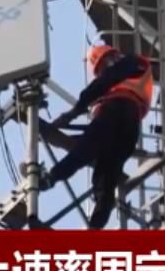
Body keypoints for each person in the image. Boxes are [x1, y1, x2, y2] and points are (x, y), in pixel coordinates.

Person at [38, 44, 153, 230]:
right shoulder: (133, 71)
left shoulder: (129, 64)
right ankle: (96, 226)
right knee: (106, 174)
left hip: (117, 109)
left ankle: (51, 177)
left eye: (101, 66)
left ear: (112, 57)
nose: (102, 70)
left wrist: (74, 111)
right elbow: (106, 82)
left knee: (85, 149)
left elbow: (103, 82)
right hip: (131, 124)